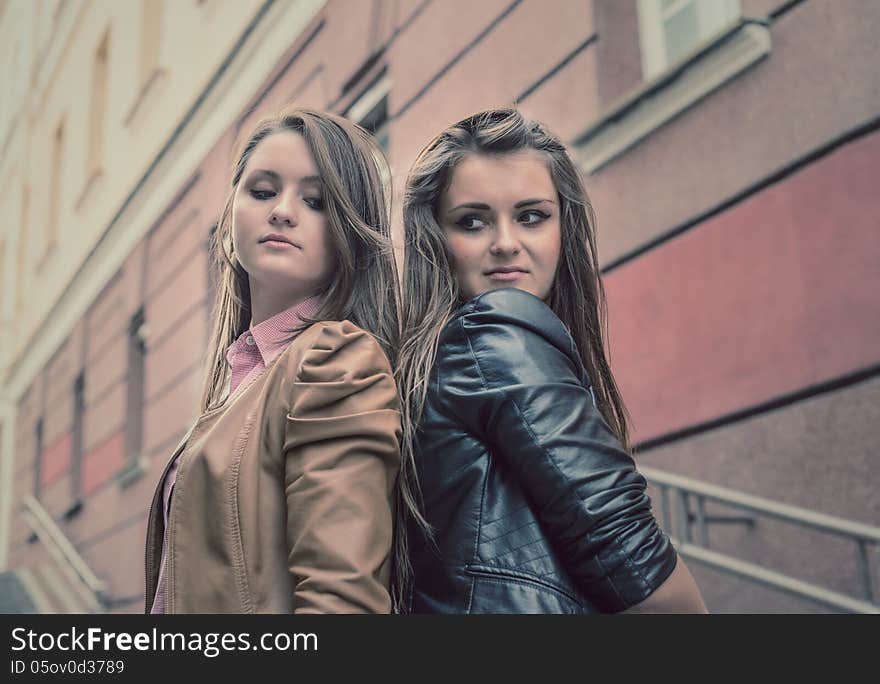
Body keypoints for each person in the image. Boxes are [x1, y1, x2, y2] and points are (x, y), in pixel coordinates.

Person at [397, 108, 707, 613]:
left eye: (531, 216)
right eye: (471, 221)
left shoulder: (433, 359)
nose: (505, 243)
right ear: (437, 238)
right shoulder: (495, 331)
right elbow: (639, 571)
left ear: (564, 226)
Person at [144, 108, 404, 613]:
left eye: (316, 201)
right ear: (231, 213)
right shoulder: (241, 375)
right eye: (262, 191)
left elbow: (342, 603)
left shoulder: (335, 360)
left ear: (351, 229)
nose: (283, 211)